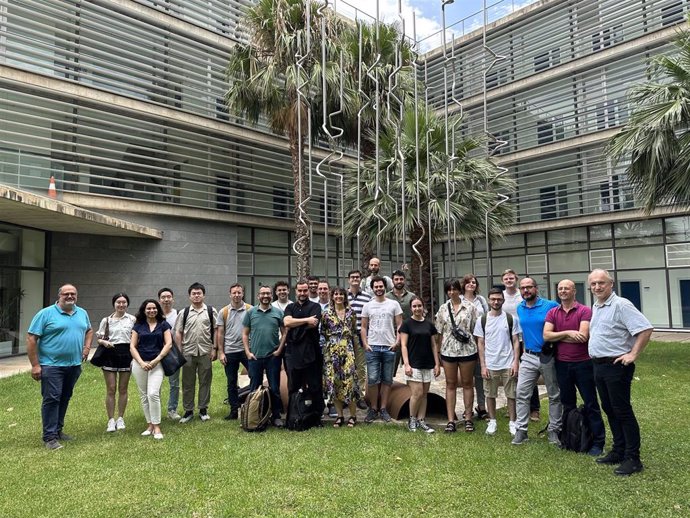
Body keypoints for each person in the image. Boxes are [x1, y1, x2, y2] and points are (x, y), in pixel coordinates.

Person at [588, 269, 653, 476]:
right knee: (609, 409)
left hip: (616, 367)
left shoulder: (621, 305)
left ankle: (633, 458)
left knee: (622, 410)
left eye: (601, 283)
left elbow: (645, 328)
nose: (597, 287)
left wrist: (633, 354)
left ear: (611, 284)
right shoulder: (597, 306)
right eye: (593, 284)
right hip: (599, 366)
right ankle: (618, 450)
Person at [543, 279, 605, 456]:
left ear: (574, 291)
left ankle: (598, 442)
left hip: (583, 364)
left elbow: (583, 336)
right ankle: (570, 438)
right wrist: (569, 333)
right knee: (567, 403)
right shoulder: (553, 312)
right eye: (560, 288)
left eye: (566, 288)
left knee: (591, 402)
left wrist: (558, 336)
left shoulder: (585, 311)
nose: (563, 291)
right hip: (562, 364)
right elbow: (546, 335)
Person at [27, 284, 93, 450]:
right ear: (59, 296)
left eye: (73, 294)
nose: (70, 296)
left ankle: (57, 430)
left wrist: (86, 348)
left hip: (74, 365)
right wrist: (35, 365)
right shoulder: (45, 314)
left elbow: (89, 330)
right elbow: (31, 338)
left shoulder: (82, 313)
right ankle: (49, 437)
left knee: (64, 397)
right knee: (52, 399)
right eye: (66, 294)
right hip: (51, 365)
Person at [512, 277, 562, 446]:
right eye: (523, 288)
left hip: (548, 356)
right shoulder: (520, 308)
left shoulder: (551, 306)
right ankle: (521, 431)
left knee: (554, 394)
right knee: (521, 393)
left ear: (536, 288)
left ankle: (554, 430)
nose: (526, 290)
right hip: (528, 356)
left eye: (529, 287)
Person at [474, 288, 521, 437]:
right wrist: (483, 365)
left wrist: (515, 362)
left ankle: (513, 422)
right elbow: (480, 343)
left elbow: (516, 341)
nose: (496, 301)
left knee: (511, 394)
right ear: (488, 300)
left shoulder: (511, 319)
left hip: (508, 362)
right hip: (490, 363)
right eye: (493, 299)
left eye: (499, 299)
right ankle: (492, 421)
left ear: (503, 300)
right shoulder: (482, 320)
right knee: (490, 394)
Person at [435, 278, 478, 433]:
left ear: (460, 290)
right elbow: (439, 332)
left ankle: (468, 418)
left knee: (467, 383)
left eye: (454, 289)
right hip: (448, 351)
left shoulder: (471, 307)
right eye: (449, 289)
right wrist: (438, 353)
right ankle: (451, 420)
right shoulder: (443, 309)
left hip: (468, 350)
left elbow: (475, 329)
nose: (452, 292)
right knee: (450, 384)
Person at [360, 276, 403, 423]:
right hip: (373, 347)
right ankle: (373, 408)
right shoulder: (368, 306)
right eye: (376, 287)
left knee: (387, 380)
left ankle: (383, 409)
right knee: (372, 380)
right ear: (372, 289)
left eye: (380, 286)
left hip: (389, 347)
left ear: (385, 287)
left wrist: (397, 342)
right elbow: (364, 326)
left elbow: (399, 325)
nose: (378, 289)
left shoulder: (394, 304)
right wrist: (365, 344)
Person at [243, 285, 286, 427]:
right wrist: (248, 352)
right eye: (263, 294)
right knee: (255, 387)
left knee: (274, 387)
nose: (265, 296)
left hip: (272, 357)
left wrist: (279, 349)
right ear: (258, 296)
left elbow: (285, 333)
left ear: (271, 295)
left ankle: (276, 416)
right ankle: (255, 415)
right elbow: (245, 334)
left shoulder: (278, 313)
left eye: (268, 293)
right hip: (255, 357)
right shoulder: (251, 313)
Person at [129, 299, 173, 440]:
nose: (151, 311)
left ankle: (157, 425)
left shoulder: (163, 325)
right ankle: (150, 425)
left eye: (154, 308)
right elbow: (132, 346)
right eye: (148, 308)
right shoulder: (138, 326)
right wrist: (141, 362)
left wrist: (156, 360)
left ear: (157, 310)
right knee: (144, 395)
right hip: (139, 364)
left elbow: (169, 344)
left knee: (153, 393)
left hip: (157, 363)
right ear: (144, 310)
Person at [175, 282, 218, 423]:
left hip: (206, 351)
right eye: (194, 293)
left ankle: (203, 409)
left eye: (199, 293)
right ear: (189, 296)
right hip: (188, 352)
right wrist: (179, 350)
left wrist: (215, 348)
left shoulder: (211, 311)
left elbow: (217, 330)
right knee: (187, 382)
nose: (196, 296)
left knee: (205, 381)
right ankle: (188, 411)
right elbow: (178, 332)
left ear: (203, 295)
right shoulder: (184, 312)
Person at [321, 287, 362, 427]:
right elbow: (324, 332)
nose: (338, 297)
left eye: (341, 294)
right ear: (332, 297)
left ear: (345, 297)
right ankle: (339, 416)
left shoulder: (351, 313)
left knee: (349, 383)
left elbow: (354, 332)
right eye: (336, 294)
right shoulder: (326, 313)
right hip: (331, 351)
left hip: (348, 350)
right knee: (335, 383)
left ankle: (353, 416)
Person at [502, 268, 540, 422]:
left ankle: (534, 408)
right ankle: (513, 406)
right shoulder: (502, 296)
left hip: (525, 337)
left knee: (529, 370)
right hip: (507, 338)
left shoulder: (523, 294)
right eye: (506, 278)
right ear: (503, 281)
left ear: (516, 279)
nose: (509, 280)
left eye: (511, 278)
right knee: (511, 372)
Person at [95, 293, 136, 432]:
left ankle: (121, 418)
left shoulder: (132, 319)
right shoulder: (106, 320)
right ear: (114, 304)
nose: (121, 305)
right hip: (110, 353)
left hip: (126, 353)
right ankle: (111, 420)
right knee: (111, 388)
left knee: (123, 388)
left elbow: (136, 338)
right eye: (118, 302)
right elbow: (99, 338)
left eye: (124, 302)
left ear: (127, 304)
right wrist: (104, 342)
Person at [284, 280, 324, 421]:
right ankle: (294, 415)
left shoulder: (315, 306)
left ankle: (316, 415)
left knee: (314, 385)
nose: (302, 293)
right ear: (296, 291)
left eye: (305, 290)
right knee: (293, 385)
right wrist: (306, 320)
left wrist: (296, 323)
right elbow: (287, 322)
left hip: (311, 352)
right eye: (300, 291)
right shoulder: (290, 307)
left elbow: (313, 324)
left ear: (308, 291)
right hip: (293, 352)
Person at [400, 296, 440, 433]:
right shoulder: (406, 324)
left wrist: (437, 364)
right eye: (414, 306)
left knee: (424, 394)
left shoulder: (429, 325)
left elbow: (434, 345)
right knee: (417, 393)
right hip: (413, 364)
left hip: (427, 364)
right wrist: (406, 364)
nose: (417, 309)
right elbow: (403, 345)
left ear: (423, 307)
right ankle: (412, 419)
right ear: (411, 308)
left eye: (419, 306)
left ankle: (421, 420)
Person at [217, 283, 251, 420]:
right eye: (234, 293)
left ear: (243, 294)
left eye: (239, 292)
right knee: (231, 382)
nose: (237, 295)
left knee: (255, 378)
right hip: (230, 351)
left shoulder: (250, 309)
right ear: (230, 294)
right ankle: (233, 410)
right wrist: (221, 352)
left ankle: (253, 405)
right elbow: (220, 333)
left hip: (246, 350)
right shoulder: (224, 312)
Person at [460, 274, 490, 421]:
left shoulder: (481, 300)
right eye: (468, 282)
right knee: (466, 378)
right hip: (464, 342)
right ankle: (467, 409)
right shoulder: (458, 300)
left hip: (480, 340)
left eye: (473, 282)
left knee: (479, 375)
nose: (471, 284)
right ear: (463, 284)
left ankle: (482, 406)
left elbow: (487, 317)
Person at [347, 270, 371, 410]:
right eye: (352, 277)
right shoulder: (343, 295)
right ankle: (347, 395)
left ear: (361, 279)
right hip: (345, 337)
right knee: (346, 366)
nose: (355, 279)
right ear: (348, 279)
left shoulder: (367, 297)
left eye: (357, 277)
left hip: (360, 335)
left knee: (360, 367)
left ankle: (360, 396)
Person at [385, 269, 416, 373]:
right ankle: (389, 386)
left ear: (404, 280)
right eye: (396, 279)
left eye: (401, 279)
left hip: (410, 334)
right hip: (392, 335)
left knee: (411, 365)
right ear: (393, 281)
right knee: (390, 365)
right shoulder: (386, 297)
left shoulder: (412, 296)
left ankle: (410, 387)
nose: (399, 281)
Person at [158, 288, 181, 420]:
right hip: (156, 353)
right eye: (163, 297)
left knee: (174, 383)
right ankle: (156, 410)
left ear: (173, 299)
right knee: (156, 383)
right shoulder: (154, 313)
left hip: (173, 353)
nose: (166, 299)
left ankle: (172, 410)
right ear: (159, 300)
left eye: (168, 297)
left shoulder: (178, 314)